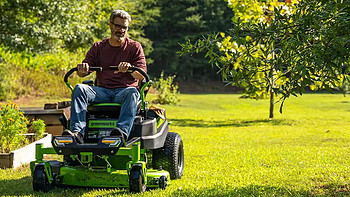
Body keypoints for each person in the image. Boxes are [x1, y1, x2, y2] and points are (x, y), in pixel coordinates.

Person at [67, 10, 146, 144]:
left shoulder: (134, 47)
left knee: (133, 92)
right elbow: (82, 73)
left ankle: (121, 132)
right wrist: (82, 68)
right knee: (80, 88)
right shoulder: (98, 47)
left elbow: (141, 74)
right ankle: (77, 133)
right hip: (102, 91)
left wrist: (129, 69)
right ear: (110, 25)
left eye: (124, 27)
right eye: (118, 26)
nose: (121, 30)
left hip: (124, 91)